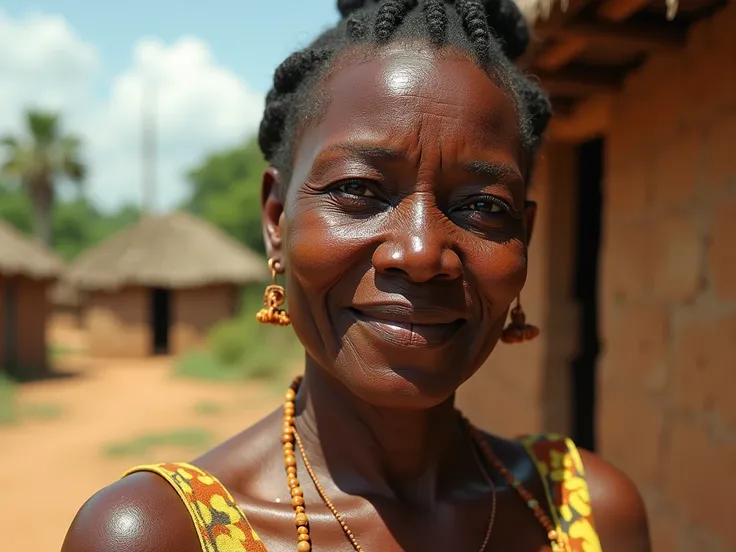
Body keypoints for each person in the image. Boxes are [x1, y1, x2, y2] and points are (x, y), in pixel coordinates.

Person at [61, 1, 651, 550]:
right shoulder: (156, 536)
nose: (421, 253)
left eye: (482, 206)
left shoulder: (587, 515)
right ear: (276, 220)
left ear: (525, 234)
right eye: (358, 190)